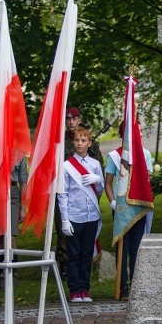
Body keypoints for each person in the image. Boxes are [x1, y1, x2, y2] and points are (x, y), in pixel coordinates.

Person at [104, 125, 153, 300]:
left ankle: (136, 284)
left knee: (136, 246)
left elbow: (148, 180)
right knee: (122, 246)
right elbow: (108, 183)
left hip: (138, 205)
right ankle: (122, 286)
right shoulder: (115, 155)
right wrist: (112, 202)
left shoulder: (145, 154)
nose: (138, 133)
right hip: (121, 207)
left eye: (139, 131)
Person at [55, 107, 104, 279]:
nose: (71, 122)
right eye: (68, 119)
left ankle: (85, 270)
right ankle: (64, 264)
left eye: (74, 119)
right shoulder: (59, 142)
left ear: (79, 120)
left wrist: (96, 187)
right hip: (65, 189)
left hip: (87, 192)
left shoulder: (91, 143)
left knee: (85, 236)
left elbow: (98, 167)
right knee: (64, 230)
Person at [0, 157, 28, 289]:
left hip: (12, 191)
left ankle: (13, 272)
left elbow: (23, 181)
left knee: (10, 237)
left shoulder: (20, 154)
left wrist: (23, 207)